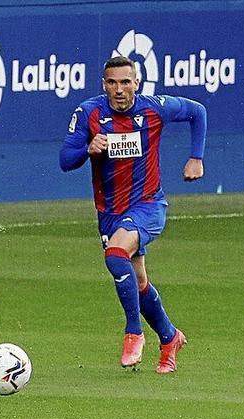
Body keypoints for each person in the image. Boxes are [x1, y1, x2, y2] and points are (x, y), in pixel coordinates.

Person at [59, 55, 207, 374]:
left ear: (136, 84)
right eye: (112, 83)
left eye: (126, 82)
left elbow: (198, 112)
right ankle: (169, 337)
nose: (119, 89)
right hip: (109, 212)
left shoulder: (155, 108)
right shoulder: (89, 113)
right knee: (138, 281)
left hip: (149, 205)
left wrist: (196, 157)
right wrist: (87, 149)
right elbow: (65, 160)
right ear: (104, 85)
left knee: (115, 256)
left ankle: (133, 332)